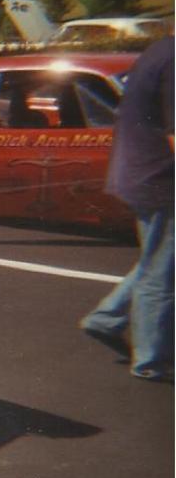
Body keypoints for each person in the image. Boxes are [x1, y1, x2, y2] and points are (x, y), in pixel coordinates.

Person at [79, 36, 173, 381]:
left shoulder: (162, 49)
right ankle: (150, 360)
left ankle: (107, 317)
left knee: (158, 258)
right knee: (163, 273)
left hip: (142, 172)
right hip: (161, 179)